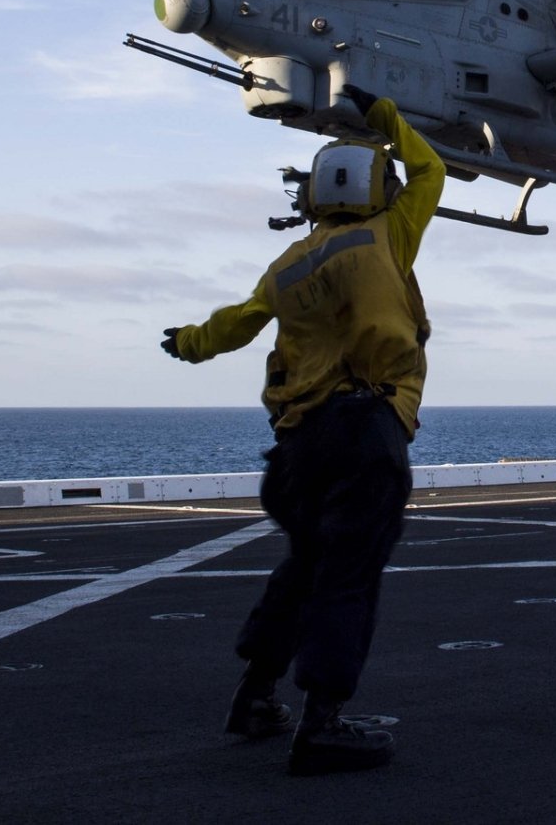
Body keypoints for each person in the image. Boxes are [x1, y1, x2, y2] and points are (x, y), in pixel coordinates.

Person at [160, 84, 445, 776]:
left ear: (312, 197)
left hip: (297, 446)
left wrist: (188, 341)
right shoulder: (390, 233)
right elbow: (430, 169)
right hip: (364, 432)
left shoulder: (288, 264)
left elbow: (235, 324)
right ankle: (322, 724)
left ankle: (255, 697)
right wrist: (383, 113)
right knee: (349, 576)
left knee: (304, 568)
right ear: (378, 188)